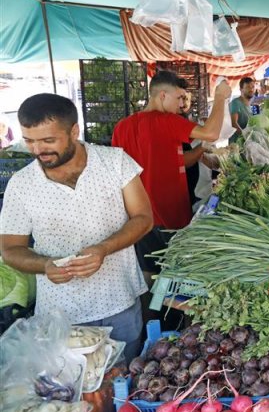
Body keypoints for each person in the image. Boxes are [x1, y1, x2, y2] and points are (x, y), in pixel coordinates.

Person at [0, 94, 152, 363]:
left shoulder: (115, 162)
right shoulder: (22, 185)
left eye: (48, 140)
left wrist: (104, 248)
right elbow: (11, 249)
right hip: (61, 315)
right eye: (30, 140)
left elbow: (143, 218)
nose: (38, 150)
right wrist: (46, 265)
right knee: (75, 393)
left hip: (120, 300)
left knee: (125, 380)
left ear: (74, 131)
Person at [112, 70, 231, 277]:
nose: (181, 104)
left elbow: (175, 162)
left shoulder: (122, 127)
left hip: (139, 218)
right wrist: (220, 97)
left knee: (149, 274)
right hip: (170, 217)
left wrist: (202, 148)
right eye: (179, 98)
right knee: (177, 275)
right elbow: (212, 132)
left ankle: (150, 310)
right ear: (162, 96)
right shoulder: (166, 120)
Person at [230, 77, 255, 143]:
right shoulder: (235, 103)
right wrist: (246, 136)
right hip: (236, 145)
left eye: (253, 87)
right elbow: (234, 124)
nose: (251, 89)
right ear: (241, 89)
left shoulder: (251, 106)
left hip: (247, 144)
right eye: (248, 87)